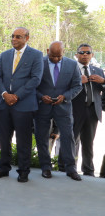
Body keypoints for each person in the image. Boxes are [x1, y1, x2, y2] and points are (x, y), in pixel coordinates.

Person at [0, 27, 44, 183]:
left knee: (23, 141)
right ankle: (3, 168)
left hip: (24, 105)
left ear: (27, 38)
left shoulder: (36, 55)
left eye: (18, 37)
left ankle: (23, 171)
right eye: (13, 36)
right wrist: (4, 94)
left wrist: (17, 96)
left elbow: (35, 79)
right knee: (3, 139)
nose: (14, 39)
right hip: (4, 104)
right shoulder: (5, 55)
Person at [33, 41, 82, 181]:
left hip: (63, 107)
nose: (55, 59)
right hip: (42, 107)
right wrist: (41, 96)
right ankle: (46, 167)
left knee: (68, 137)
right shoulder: (38, 63)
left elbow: (77, 86)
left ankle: (71, 169)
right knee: (41, 137)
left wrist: (65, 97)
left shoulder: (72, 65)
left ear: (63, 52)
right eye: (52, 56)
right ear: (47, 51)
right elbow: (32, 85)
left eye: (58, 56)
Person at [72, 43, 104, 177]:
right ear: (76, 55)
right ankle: (68, 167)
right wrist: (78, 81)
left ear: (92, 55)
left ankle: (88, 170)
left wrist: (103, 81)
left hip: (92, 111)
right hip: (75, 110)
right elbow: (62, 87)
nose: (85, 55)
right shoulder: (71, 69)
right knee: (71, 140)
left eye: (88, 52)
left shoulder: (98, 70)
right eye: (82, 52)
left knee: (88, 142)